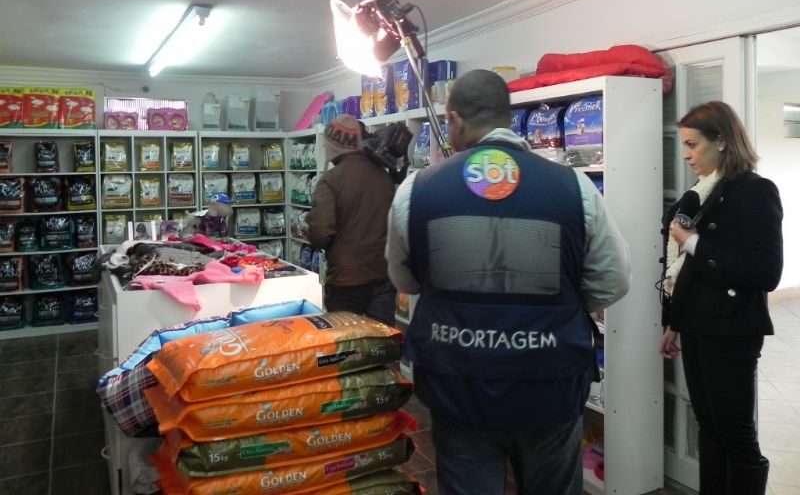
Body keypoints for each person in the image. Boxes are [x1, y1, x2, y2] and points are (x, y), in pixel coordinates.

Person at [385, 69, 631, 494]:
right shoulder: (574, 187)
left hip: (457, 381)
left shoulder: (417, 189)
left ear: (454, 119)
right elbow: (613, 280)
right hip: (550, 379)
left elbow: (404, 279)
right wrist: (562, 303)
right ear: (508, 117)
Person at [659, 101, 783, 495]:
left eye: (692, 144)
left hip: (732, 328)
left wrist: (694, 243)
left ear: (722, 141)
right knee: (709, 428)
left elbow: (766, 272)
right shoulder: (702, 193)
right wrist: (674, 322)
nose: (686, 155)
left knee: (735, 434)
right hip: (697, 323)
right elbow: (686, 271)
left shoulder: (755, 191)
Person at [307, 114, 397, 326]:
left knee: (347, 340)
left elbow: (320, 233)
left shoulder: (331, 180)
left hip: (347, 279)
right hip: (383, 275)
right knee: (382, 338)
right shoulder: (383, 175)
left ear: (334, 144)